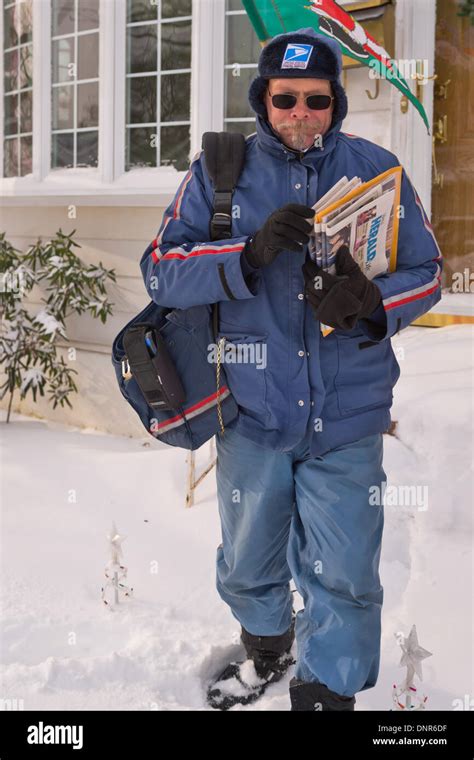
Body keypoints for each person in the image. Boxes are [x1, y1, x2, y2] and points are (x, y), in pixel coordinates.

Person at [140, 27, 443, 711]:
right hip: (252, 411)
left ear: (335, 102)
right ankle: (268, 650)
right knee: (249, 562)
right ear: (264, 100)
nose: (301, 113)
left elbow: (429, 275)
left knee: (345, 573)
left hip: (348, 417)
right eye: (285, 99)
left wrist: (373, 304)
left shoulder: (377, 169)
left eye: (317, 99)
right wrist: (245, 255)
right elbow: (160, 271)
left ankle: (327, 696)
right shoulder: (221, 173)